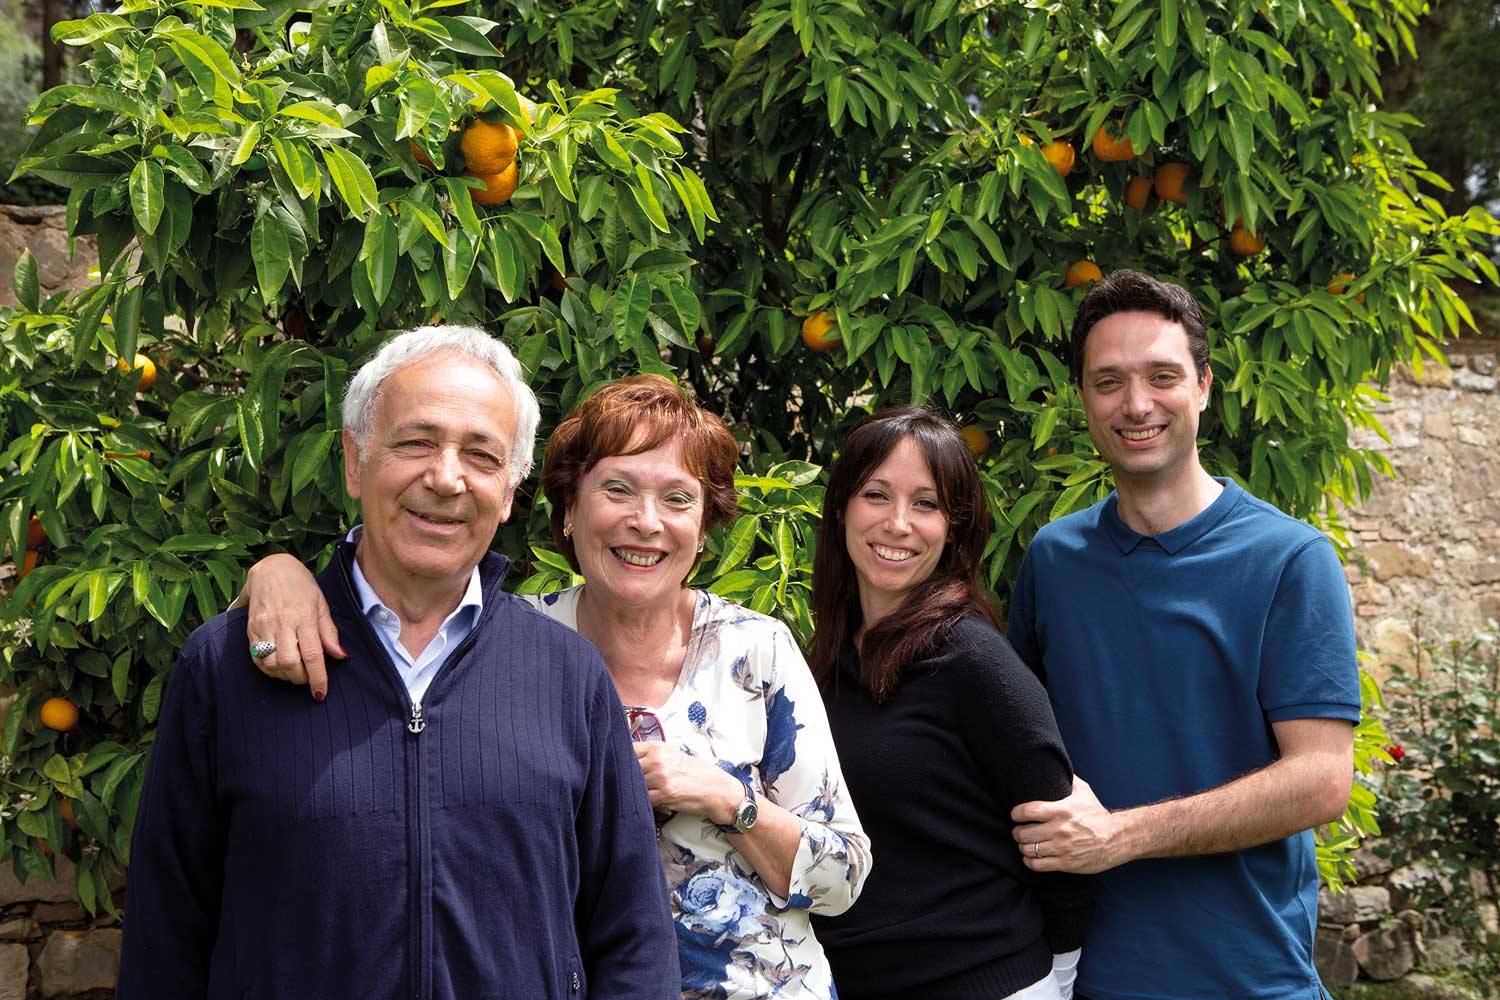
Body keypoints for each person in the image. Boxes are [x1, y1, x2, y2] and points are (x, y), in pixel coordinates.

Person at [235, 374, 872, 1000]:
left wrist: (727, 799)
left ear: (704, 526)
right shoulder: (512, 643)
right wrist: (277, 570)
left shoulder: (755, 650)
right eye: (617, 489)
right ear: (568, 509)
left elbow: (844, 878)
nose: (645, 522)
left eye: (677, 499)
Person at [117, 327, 679, 999]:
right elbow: (165, 935)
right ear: (355, 461)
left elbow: (632, 939)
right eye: (416, 442)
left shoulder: (567, 677)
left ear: (508, 491)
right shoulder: (227, 667)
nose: (446, 478)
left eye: (481, 455)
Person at [1006, 270, 1360, 1000]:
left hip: (1248, 980)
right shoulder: (1054, 559)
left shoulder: (1289, 560)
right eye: (1108, 382)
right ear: (1082, 398)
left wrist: (1122, 836)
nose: (1136, 404)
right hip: (1081, 979)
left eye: (1161, 376)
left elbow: (1322, 780)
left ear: (1203, 385)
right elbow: (1017, 751)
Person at [809, 407, 1090, 1000]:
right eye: (876, 495)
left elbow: (1057, 837)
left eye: (927, 504)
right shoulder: (825, 657)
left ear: (954, 528)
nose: (898, 524)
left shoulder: (973, 661)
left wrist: (1061, 979)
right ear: (841, 509)